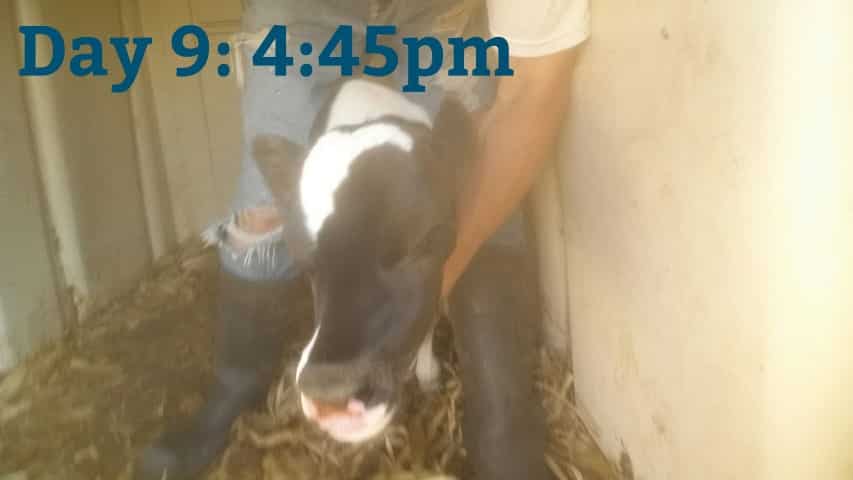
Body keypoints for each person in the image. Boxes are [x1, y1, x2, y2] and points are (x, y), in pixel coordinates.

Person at [135, 0, 589, 478]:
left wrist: (430, 269)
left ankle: (504, 427)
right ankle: (232, 395)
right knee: (263, 214)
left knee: (477, 182)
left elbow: (534, 89)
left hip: (440, 15)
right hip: (301, 12)